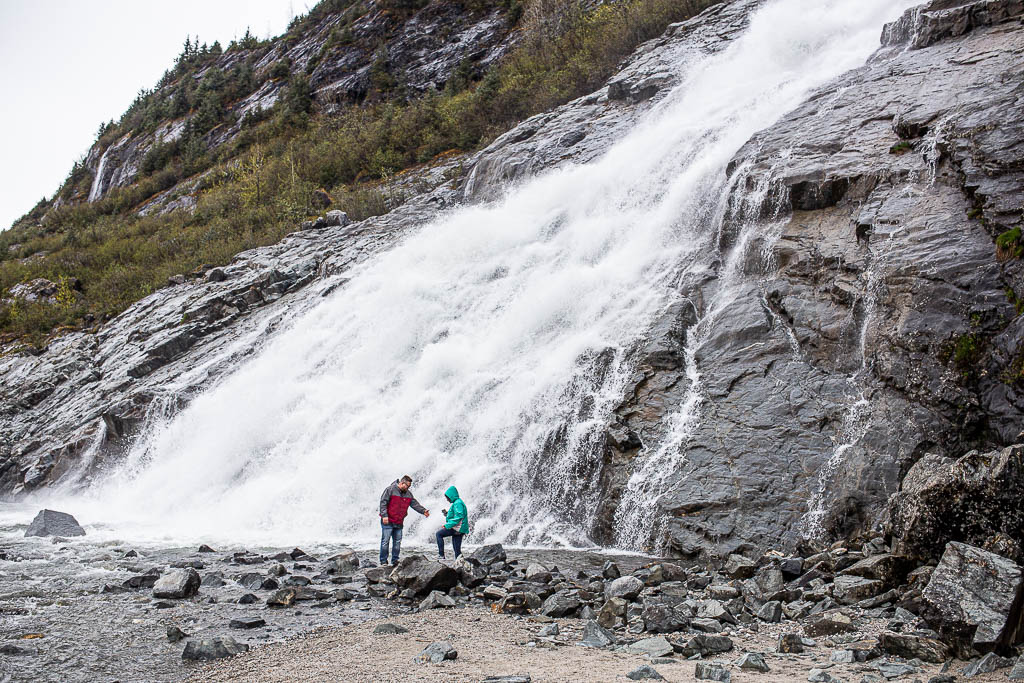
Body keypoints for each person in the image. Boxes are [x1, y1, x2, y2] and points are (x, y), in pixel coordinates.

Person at [378, 475, 429, 566]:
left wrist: (423, 511)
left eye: (409, 486)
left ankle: (395, 560)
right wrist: (384, 515)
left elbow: (415, 504)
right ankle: (383, 561)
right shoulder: (390, 489)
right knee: (385, 541)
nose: (408, 488)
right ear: (401, 483)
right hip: (388, 521)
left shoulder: (408, 494)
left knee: (397, 543)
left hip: (399, 522)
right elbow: (383, 502)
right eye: (407, 486)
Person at [436, 485, 469, 560]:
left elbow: (459, 516)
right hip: (460, 528)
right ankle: (461, 566)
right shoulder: (458, 502)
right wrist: (447, 514)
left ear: (451, 496)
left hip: (457, 528)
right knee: (457, 551)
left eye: (447, 497)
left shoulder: (457, 503)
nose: (447, 500)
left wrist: (447, 525)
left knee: (439, 534)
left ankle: (441, 555)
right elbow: (457, 515)